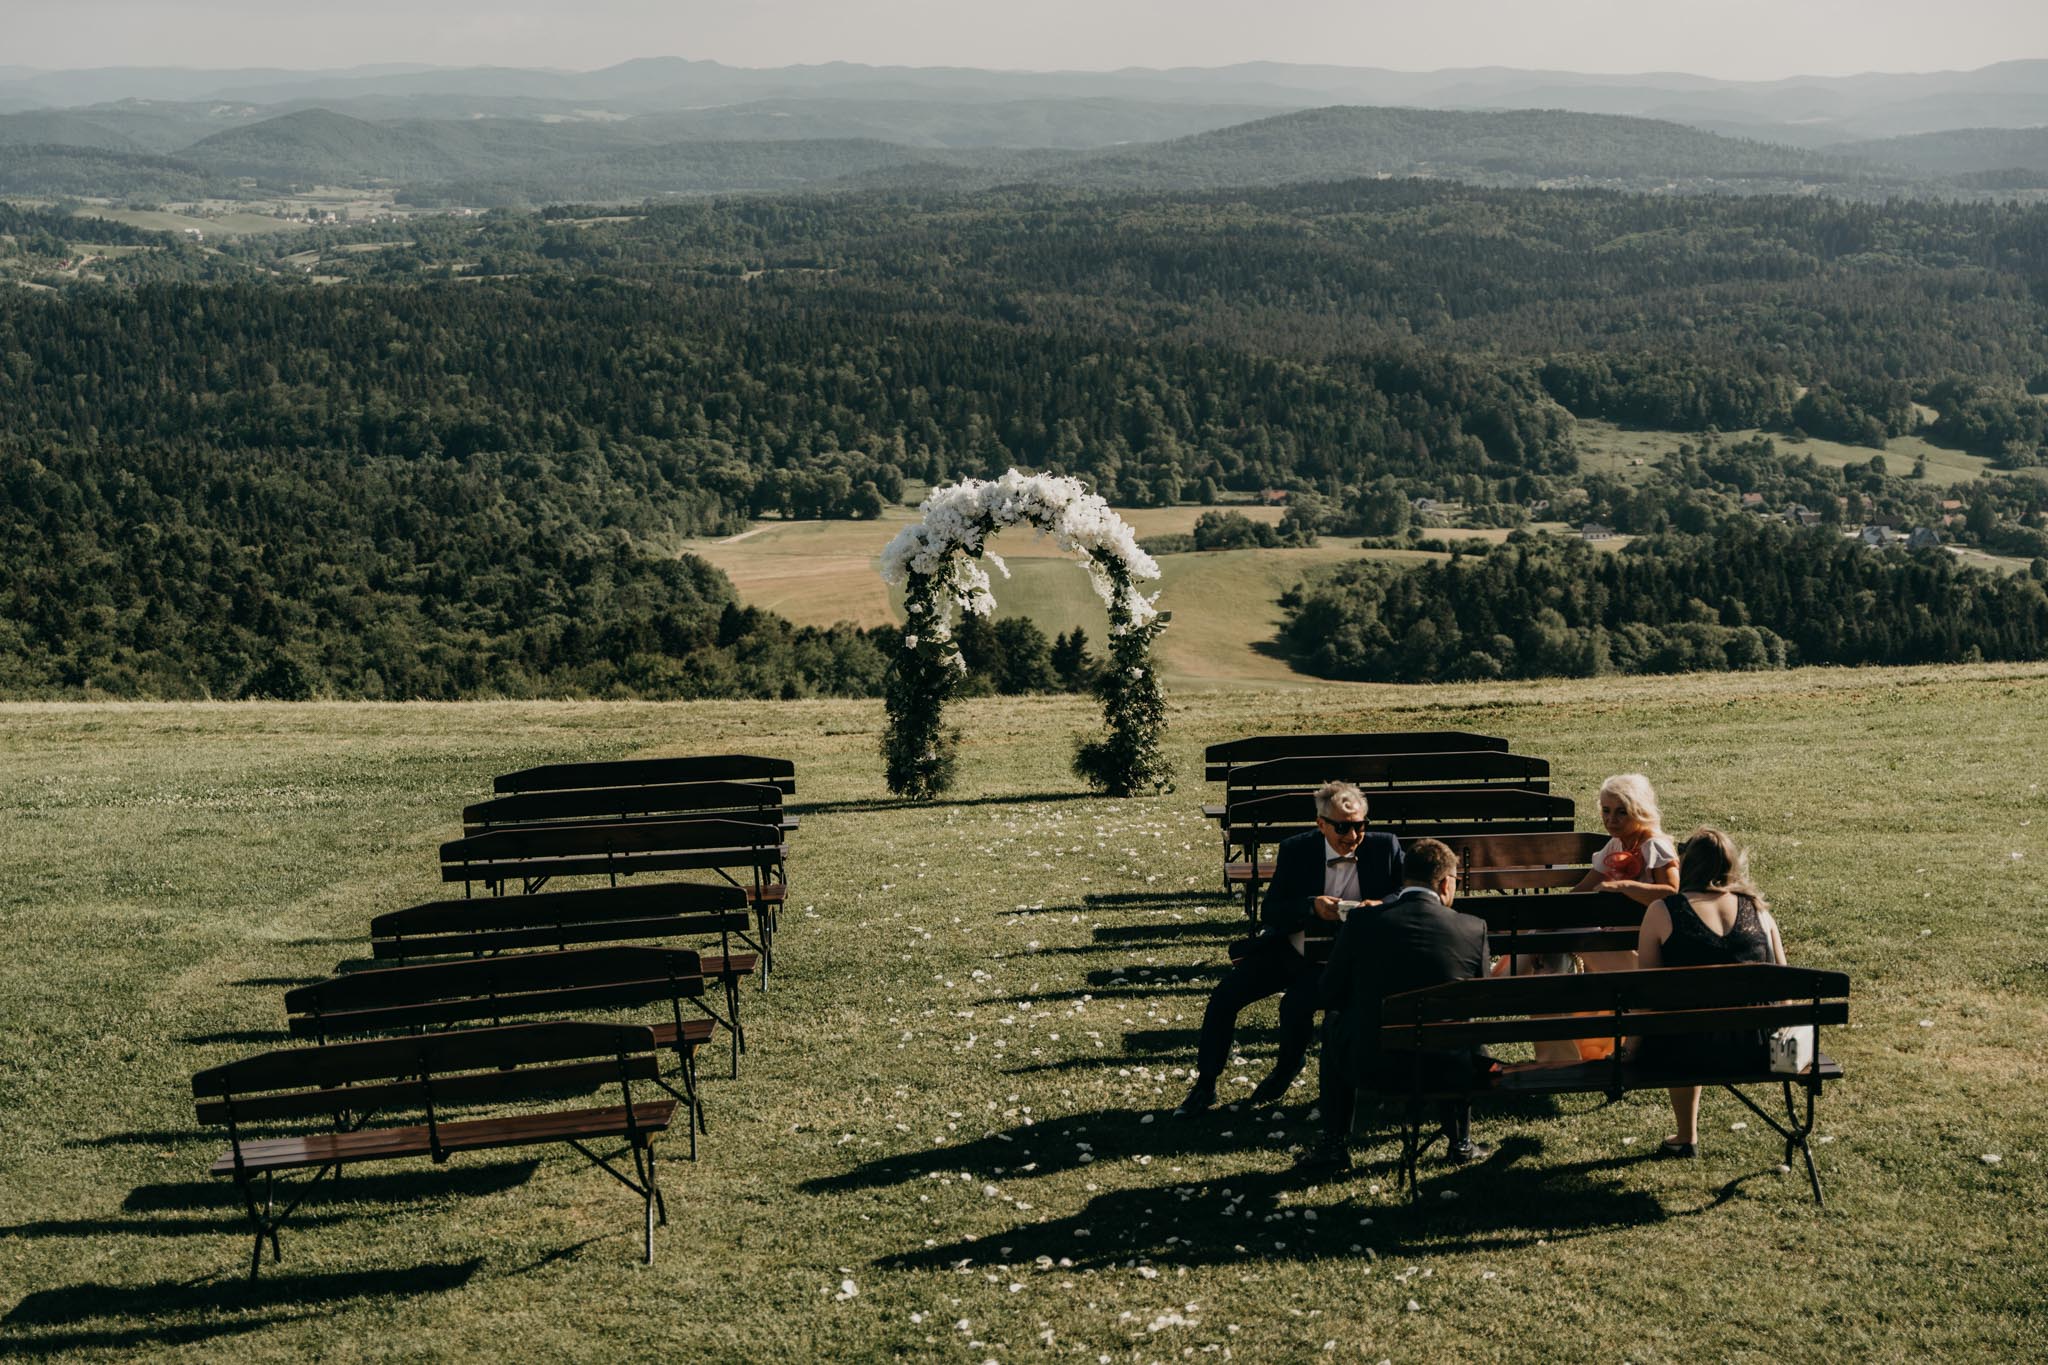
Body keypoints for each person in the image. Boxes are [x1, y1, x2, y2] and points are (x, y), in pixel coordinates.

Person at [1173, 781, 1401, 1117]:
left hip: (1341, 960)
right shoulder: (1297, 849)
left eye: (1359, 825)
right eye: (1342, 827)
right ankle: (1205, 1083)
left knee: (1296, 1005)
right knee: (1225, 997)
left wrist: (1380, 904)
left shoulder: (1386, 847)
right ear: (1321, 824)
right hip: (1292, 950)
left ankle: (1285, 1070)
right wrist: (1311, 906)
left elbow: (1405, 893)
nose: (1352, 836)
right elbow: (1272, 910)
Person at [1299, 838, 1493, 1173]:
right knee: (1459, 1029)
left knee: (1333, 1023)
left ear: (1405, 880)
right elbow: (1479, 1000)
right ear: (1446, 883)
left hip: (1371, 1065)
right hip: (1446, 1069)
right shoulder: (1472, 928)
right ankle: (1460, 1141)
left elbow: (1329, 990)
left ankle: (1333, 1143)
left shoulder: (1362, 923)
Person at [1621, 827, 1787, 1158]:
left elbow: (1647, 995)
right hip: (1757, 1050)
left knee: (1682, 1023)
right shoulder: (1758, 910)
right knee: (1688, 1023)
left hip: (1683, 1051)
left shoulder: (1663, 912)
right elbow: (1785, 987)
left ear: (1686, 864)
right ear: (1731, 866)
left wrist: (1629, 1048)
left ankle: (1686, 1136)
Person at [1571, 773, 1681, 970]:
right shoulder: (1616, 844)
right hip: (1614, 937)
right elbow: (1584, 888)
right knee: (1550, 934)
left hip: (1645, 951)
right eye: (1606, 810)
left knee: (1573, 936)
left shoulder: (1654, 845)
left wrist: (1624, 886)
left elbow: (1672, 894)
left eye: (1622, 812)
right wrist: (1548, 917)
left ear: (1639, 811)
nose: (1611, 819)